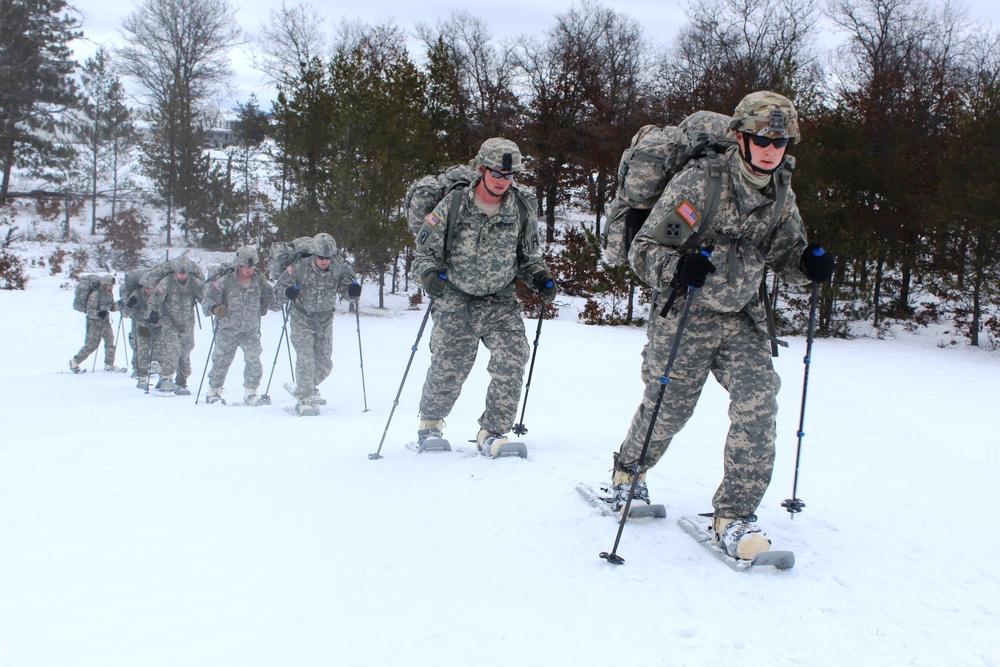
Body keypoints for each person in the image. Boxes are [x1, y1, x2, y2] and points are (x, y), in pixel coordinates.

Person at [607, 91, 835, 560]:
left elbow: (786, 251)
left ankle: (734, 516)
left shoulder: (779, 193)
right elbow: (646, 249)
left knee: (758, 404)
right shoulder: (701, 184)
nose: (772, 150)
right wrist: (678, 268)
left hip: (741, 316)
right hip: (688, 314)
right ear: (740, 137)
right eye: (762, 139)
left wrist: (808, 264)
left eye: (782, 142)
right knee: (669, 406)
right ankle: (629, 472)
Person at [411, 137, 557, 456]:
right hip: (456, 297)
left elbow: (529, 257)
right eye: (496, 174)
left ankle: (493, 431)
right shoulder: (452, 205)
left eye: (509, 176)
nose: (503, 181)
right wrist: (428, 276)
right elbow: (424, 254)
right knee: (451, 363)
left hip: (499, 299)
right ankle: (430, 424)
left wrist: (541, 278)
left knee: (512, 356)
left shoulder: (520, 208)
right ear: (481, 170)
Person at [274, 233, 358, 416]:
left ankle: (309, 386)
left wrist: (353, 291)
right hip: (302, 317)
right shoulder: (299, 267)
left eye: (327, 258)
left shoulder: (338, 268)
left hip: (325, 320)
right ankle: (304, 397)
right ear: (314, 255)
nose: (323, 261)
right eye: (320, 257)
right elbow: (277, 291)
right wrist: (288, 293)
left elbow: (348, 292)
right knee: (305, 358)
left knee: (325, 363)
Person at [201, 246, 281, 405]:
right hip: (227, 330)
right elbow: (207, 301)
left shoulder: (260, 282)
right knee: (221, 360)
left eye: (251, 266)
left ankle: (251, 392)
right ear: (238, 265)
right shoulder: (225, 282)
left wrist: (284, 294)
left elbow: (273, 302)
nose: (248, 270)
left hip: (250, 331)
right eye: (245, 266)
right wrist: (215, 309)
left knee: (254, 361)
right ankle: (214, 390)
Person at [147, 257, 205, 395]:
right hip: (168, 319)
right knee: (173, 348)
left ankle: (182, 380)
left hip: (187, 321)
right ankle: (167, 377)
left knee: (185, 350)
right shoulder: (167, 282)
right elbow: (154, 300)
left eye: (184, 273)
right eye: (180, 273)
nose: (182, 276)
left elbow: (205, 297)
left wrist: (214, 309)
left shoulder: (194, 283)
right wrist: (153, 313)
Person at [69, 274, 121, 372]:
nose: (111, 288)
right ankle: (74, 362)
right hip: (94, 323)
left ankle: (109, 364)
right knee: (91, 345)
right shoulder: (95, 294)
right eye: (109, 286)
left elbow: (111, 307)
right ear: (104, 285)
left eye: (112, 286)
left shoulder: (109, 294)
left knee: (110, 341)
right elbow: (89, 311)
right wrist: (99, 314)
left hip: (105, 322)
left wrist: (120, 304)